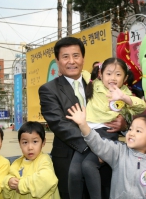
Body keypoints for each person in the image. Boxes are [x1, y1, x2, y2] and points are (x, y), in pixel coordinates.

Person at [38, 36, 127, 198]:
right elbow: (59, 124)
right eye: (65, 57)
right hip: (70, 157)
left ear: (83, 59)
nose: (71, 61)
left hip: (105, 158)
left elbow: (122, 110)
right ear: (57, 61)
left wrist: (124, 125)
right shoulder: (48, 90)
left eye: (76, 55)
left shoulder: (100, 84)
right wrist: (96, 146)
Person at [69, 57, 146, 198]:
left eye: (118, 74)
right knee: (74, 172)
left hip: (106, 134)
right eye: (109, 73)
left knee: (88, 166)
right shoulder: (94, 83)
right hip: (86, 132)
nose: (113, 78)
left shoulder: (124, 92)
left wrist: (124, 97)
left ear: (125, 77)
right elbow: (80, 71)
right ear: (100, 74)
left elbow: (141, 106)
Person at [66, 104, 146, 199]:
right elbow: (98, 144)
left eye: (138, 131)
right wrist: (83, 125)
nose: (131, 133)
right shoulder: (119, 152)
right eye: (130, 129)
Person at [2, 122, 60, 198]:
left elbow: (46, 178)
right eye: (25, 142)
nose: (30, 147)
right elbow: (7, 180)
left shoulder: (44, 159)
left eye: (35, 142)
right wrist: (8, 181)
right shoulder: (17, 163)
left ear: (43, 142)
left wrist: (21, 185)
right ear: (20, 144)